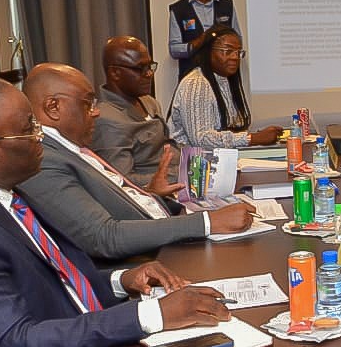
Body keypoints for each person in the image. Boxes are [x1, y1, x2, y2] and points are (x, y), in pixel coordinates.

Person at [0, 75, 227, 347]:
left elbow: (53, 284)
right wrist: (150, 315)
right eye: (29, 128)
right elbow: (16, 346)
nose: (41, 136)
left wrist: (121, 280)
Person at [17, 64, 257, 261]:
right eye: (87, 103)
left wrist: (152, 194)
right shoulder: (42, 160)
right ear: (53, 107)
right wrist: (207, 222)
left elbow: (110, 204)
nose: (96, 112)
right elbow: (103, 237)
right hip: (151, 259)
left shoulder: (68, 146)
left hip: (165, 231)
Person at [169, 25, 284, 149]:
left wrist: (258, 136)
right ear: (208, 52)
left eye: (238, 52)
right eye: (228, 51)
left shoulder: (223, 80)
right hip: (191, 160)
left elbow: (229, 127)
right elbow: (201, 139)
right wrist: (252, 138)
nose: (235, 57)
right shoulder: (196, 83)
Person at [91, 36, 175, 188]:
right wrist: (179, 174)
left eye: (150, 66)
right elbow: (122, 180)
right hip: (157, 193)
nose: (149, 73)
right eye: (140, 68)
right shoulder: (106, 119)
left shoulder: (148, 102)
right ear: (115, 73)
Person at [168, 0, 239, 79]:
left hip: (224, 77)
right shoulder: (179, 9)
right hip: (192, 77)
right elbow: (174, 49)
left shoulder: (227, 5)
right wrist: (199, 41)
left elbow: (238, 40)